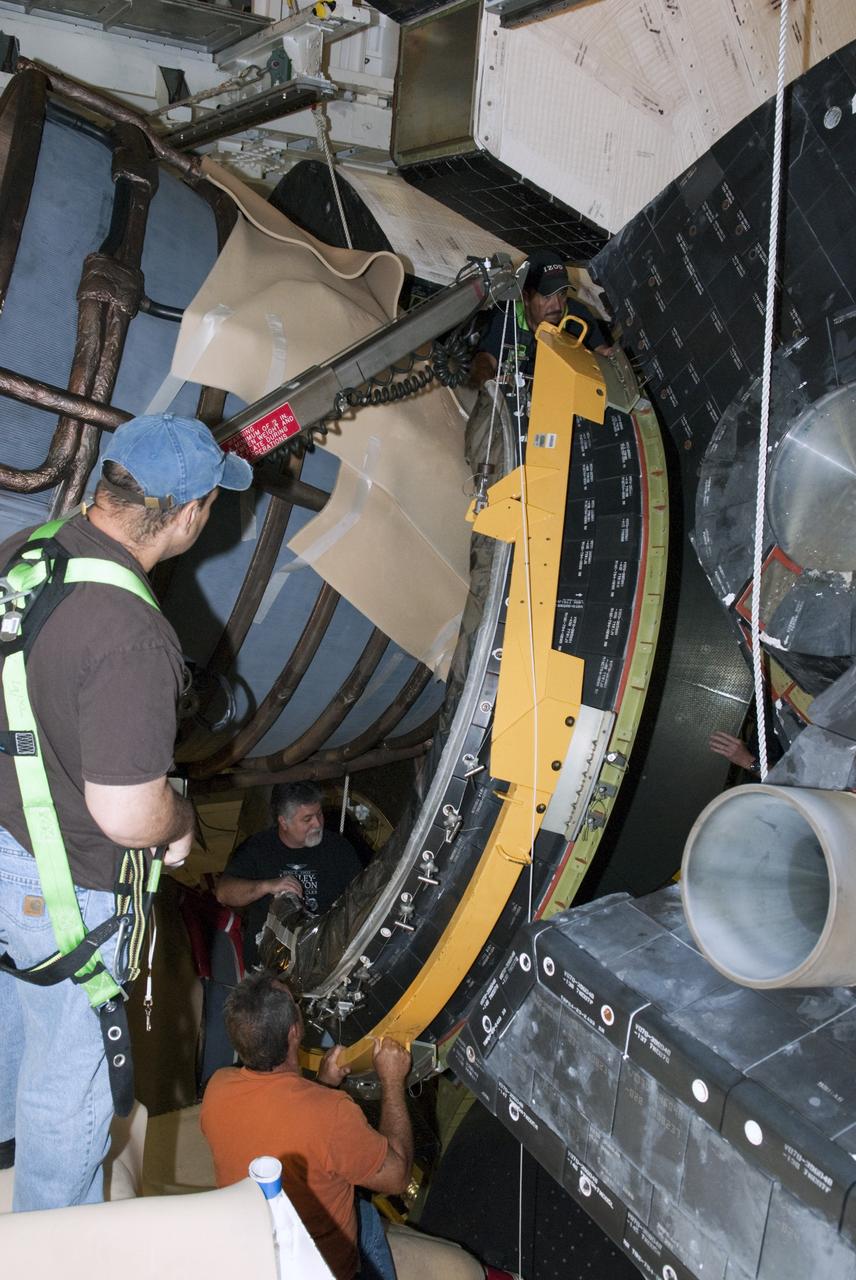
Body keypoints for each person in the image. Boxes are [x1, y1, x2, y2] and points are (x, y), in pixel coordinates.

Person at [0, 411, 253, 1212]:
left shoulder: (26, 552)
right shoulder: (134, 636)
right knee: (67, 1085)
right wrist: (177, 822)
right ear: (186, 514)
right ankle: (46, 1243)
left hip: (4, 842)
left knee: (12, 1018)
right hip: (64, 884)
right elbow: (124, 812)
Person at [200, 970, 413, 1280]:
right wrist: (392, 1080)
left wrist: (325, 1083)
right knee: (367, 1212)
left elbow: (283, 1120)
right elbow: (397, 1178)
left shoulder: (217, 1089)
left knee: (364, 1213)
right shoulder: (333, 1114)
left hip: (257, 1254)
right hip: (320, 1269)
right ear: (294, 1033)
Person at [217, 780, 364, 969]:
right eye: (307, 819)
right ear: (283, 822)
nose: (317, 823)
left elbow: (361, 898)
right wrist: (266, 886)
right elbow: (223, 893)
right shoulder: (257, 848)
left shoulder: (338, 848)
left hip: (324, 964)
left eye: (319, 814)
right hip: (268, 969)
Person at [469, 247, 616, 390]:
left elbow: (602, 352)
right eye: (547, 296)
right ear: (526, 296)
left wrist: (610, 358)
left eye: (562, 294)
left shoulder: (577, 315)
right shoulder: (505, 314)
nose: (557, 305)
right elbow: (486, 360)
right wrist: (485, 380)